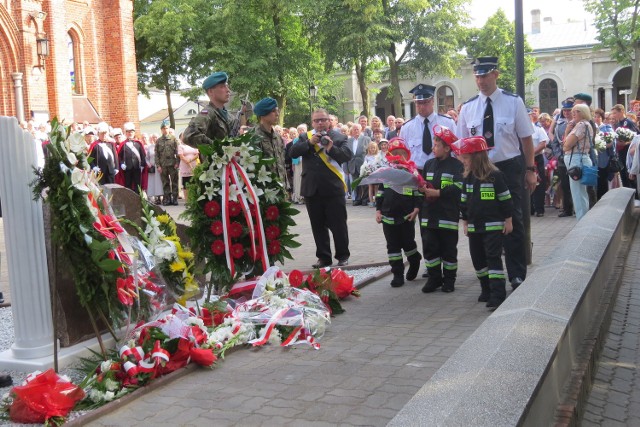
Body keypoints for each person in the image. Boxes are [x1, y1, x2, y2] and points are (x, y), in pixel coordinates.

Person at [457, 56, 535, 290]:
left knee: (514, 220)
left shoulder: (513, 102)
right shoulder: (469, 107)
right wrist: (467, 169)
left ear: (496, 75)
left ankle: (516, 273)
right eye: (477, 76)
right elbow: (462, 144)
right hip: (479, 170)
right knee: (480, 220)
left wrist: (531, 169)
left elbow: (526, 139)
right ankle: (488, 276)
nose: (481, 81)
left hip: (508, 167)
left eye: (485, 75)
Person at [453, 136, 513, 309]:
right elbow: (464, 200)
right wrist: (464, 221)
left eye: (465, 158)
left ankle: (497, 294)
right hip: (474, 226)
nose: (463, 161)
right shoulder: (468, 177)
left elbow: (505, 199)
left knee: (493, 259)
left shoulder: (495, 176)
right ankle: (485, 288)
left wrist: (508, 220)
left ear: (477, 157)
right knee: (478, 260)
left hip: (493, 226)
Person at [289, 108, 353, 268]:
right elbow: (292, 153)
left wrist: (331, 148)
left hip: (333, 188)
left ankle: (343, 256)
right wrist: (309, 144)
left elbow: (346, 156)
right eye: (316, 120)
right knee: (318, 226)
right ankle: (324, 257)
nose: (320, 123)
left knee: (338, 225)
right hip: (312, 189)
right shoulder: (305, 137)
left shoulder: (339, 137)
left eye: (323, 119)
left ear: (329, 121)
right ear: (312, 123)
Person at [418, 125, 464, 293]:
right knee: (430, 249)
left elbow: (459, 186)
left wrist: (438, 192)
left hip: (447, 216)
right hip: (429, 216)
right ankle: (434, 278)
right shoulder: (429, 164)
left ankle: (449, 280)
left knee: (448, 250)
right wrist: (421, 189)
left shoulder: (457, 166)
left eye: (436, 145)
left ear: (446, 148)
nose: (432, 148)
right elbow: (421, 184)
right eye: (433, 144)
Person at [375, 138, 422, 288]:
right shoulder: (386, 173)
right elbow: (381, 193)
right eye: (394, 154)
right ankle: (397, 274)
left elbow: (418, 193)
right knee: (392, 247)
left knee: (408, 244)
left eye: (401, 154)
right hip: (388, 216)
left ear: (407, 156)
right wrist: (378, 210)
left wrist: (416, 209)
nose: (397, 158)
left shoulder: (411, 173)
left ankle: (414, 260)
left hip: (406, 216)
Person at [400, 84, 456, 173]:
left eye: (426, 102)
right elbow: (403, 155)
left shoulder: (448, 123)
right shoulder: (406, 127)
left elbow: (455, 150)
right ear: (415, 103)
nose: (422, 106)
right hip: (417, 173)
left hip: (442, 171)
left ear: (433, 101)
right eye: (419, 103)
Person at [183, 71, 245, 147]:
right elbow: (189, 136)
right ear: (210, 91)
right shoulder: (207, 113)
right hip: (214, 159)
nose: (228, 90)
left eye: (227, 86)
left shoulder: (229, 116)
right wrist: (217, 147)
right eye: (222, 87)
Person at [564, 104, 594, 220]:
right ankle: (583, 218)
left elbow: (567, 145)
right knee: (581, 191)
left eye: (575, 111)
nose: (573, 114)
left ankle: (581, 220)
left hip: (576, 159)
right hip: (580, 158)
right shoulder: (586, 124)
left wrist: (567, 131)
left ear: (582, 112)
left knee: (577, 192)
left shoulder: (581, 125)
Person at [251, 97, 289, 189]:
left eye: (277, 110)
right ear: (263, 114)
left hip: (280, 187)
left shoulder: (277, 136)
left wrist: (286, 185)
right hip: (265, 189)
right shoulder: (254, 136)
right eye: (273, 111)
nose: (277, 114)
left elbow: (281, 162)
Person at [552, 99, 575, 217]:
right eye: (565, 110)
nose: (566, 112)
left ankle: (577, 208)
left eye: (569, 110)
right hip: (563, 158)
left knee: (576, 184)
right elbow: (555, 143)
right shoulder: (559, 125)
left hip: (575, 156)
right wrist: (559, 155)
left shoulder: (578, 123)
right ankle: (567, 209)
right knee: (565, 185)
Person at [345, 123, 371, 205]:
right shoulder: (348, 141)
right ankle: (357, 199)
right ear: (351, 131)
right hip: (352, 165)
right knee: (355, 183)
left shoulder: (367, 139)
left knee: (365, 183)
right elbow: (346, 155)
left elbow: (370, 152)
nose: (356, 131)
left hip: (363, 165)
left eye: (357, 129)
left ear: (361, 130)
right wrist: (345, 168)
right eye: (354, 129)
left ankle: (365, 199)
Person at [117, 122, 147, 193]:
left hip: (137, 168)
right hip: (127, 168)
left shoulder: (138, 143)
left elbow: (143, 156)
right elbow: (119, 157)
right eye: (128, 132)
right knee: (128, 186)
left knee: (138, 185)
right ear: (126, 133)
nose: (130, 133)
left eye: (131, 132)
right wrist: (121, 164)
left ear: (134, 133)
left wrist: (142, 165)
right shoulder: (123, 144)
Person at [530, 110, 549, 217]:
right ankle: (529, 209)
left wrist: (531, 153)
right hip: (524, 160)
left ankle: (539, 209)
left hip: (537, 159)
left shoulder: (538, 129)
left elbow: (543, 143)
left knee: (539, 184)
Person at [155, 120, 179, 206]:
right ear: (161, 130)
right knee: (165, 183)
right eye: (163, 128)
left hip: (173, 164)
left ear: (169, 129)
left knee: (174, 182)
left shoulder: (174, 139)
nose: (165, 130)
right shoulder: (158, 141)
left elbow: (177, 152)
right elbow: (156, 154)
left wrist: (177, 162)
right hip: (163, 165)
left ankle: (175, 199)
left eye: (167, 128)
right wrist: (158, 166)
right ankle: (167, 199)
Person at [145, 133, 164, 204]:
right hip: (152, 168)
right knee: (153, 183)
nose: (155, 139)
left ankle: (160, 197)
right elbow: (146, 158)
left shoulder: (161, 146)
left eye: (156, 137)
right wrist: (149, 164)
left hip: (160, 167)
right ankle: (155, 198)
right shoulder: (150, 147)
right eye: (153, 137)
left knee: (159, 183)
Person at [362, 141, 381, 207]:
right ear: (369, 149)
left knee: (376, 188)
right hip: (369, 174)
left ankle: (376, 201)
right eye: (371, 148)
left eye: (374, 148)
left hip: (376, 173)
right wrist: (367, 170)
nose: (373, 149)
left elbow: (379, 164)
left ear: (376, 148)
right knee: (370, 187)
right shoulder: (367, 156)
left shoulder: (378, 156)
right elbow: (365, 165)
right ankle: (371, 202)